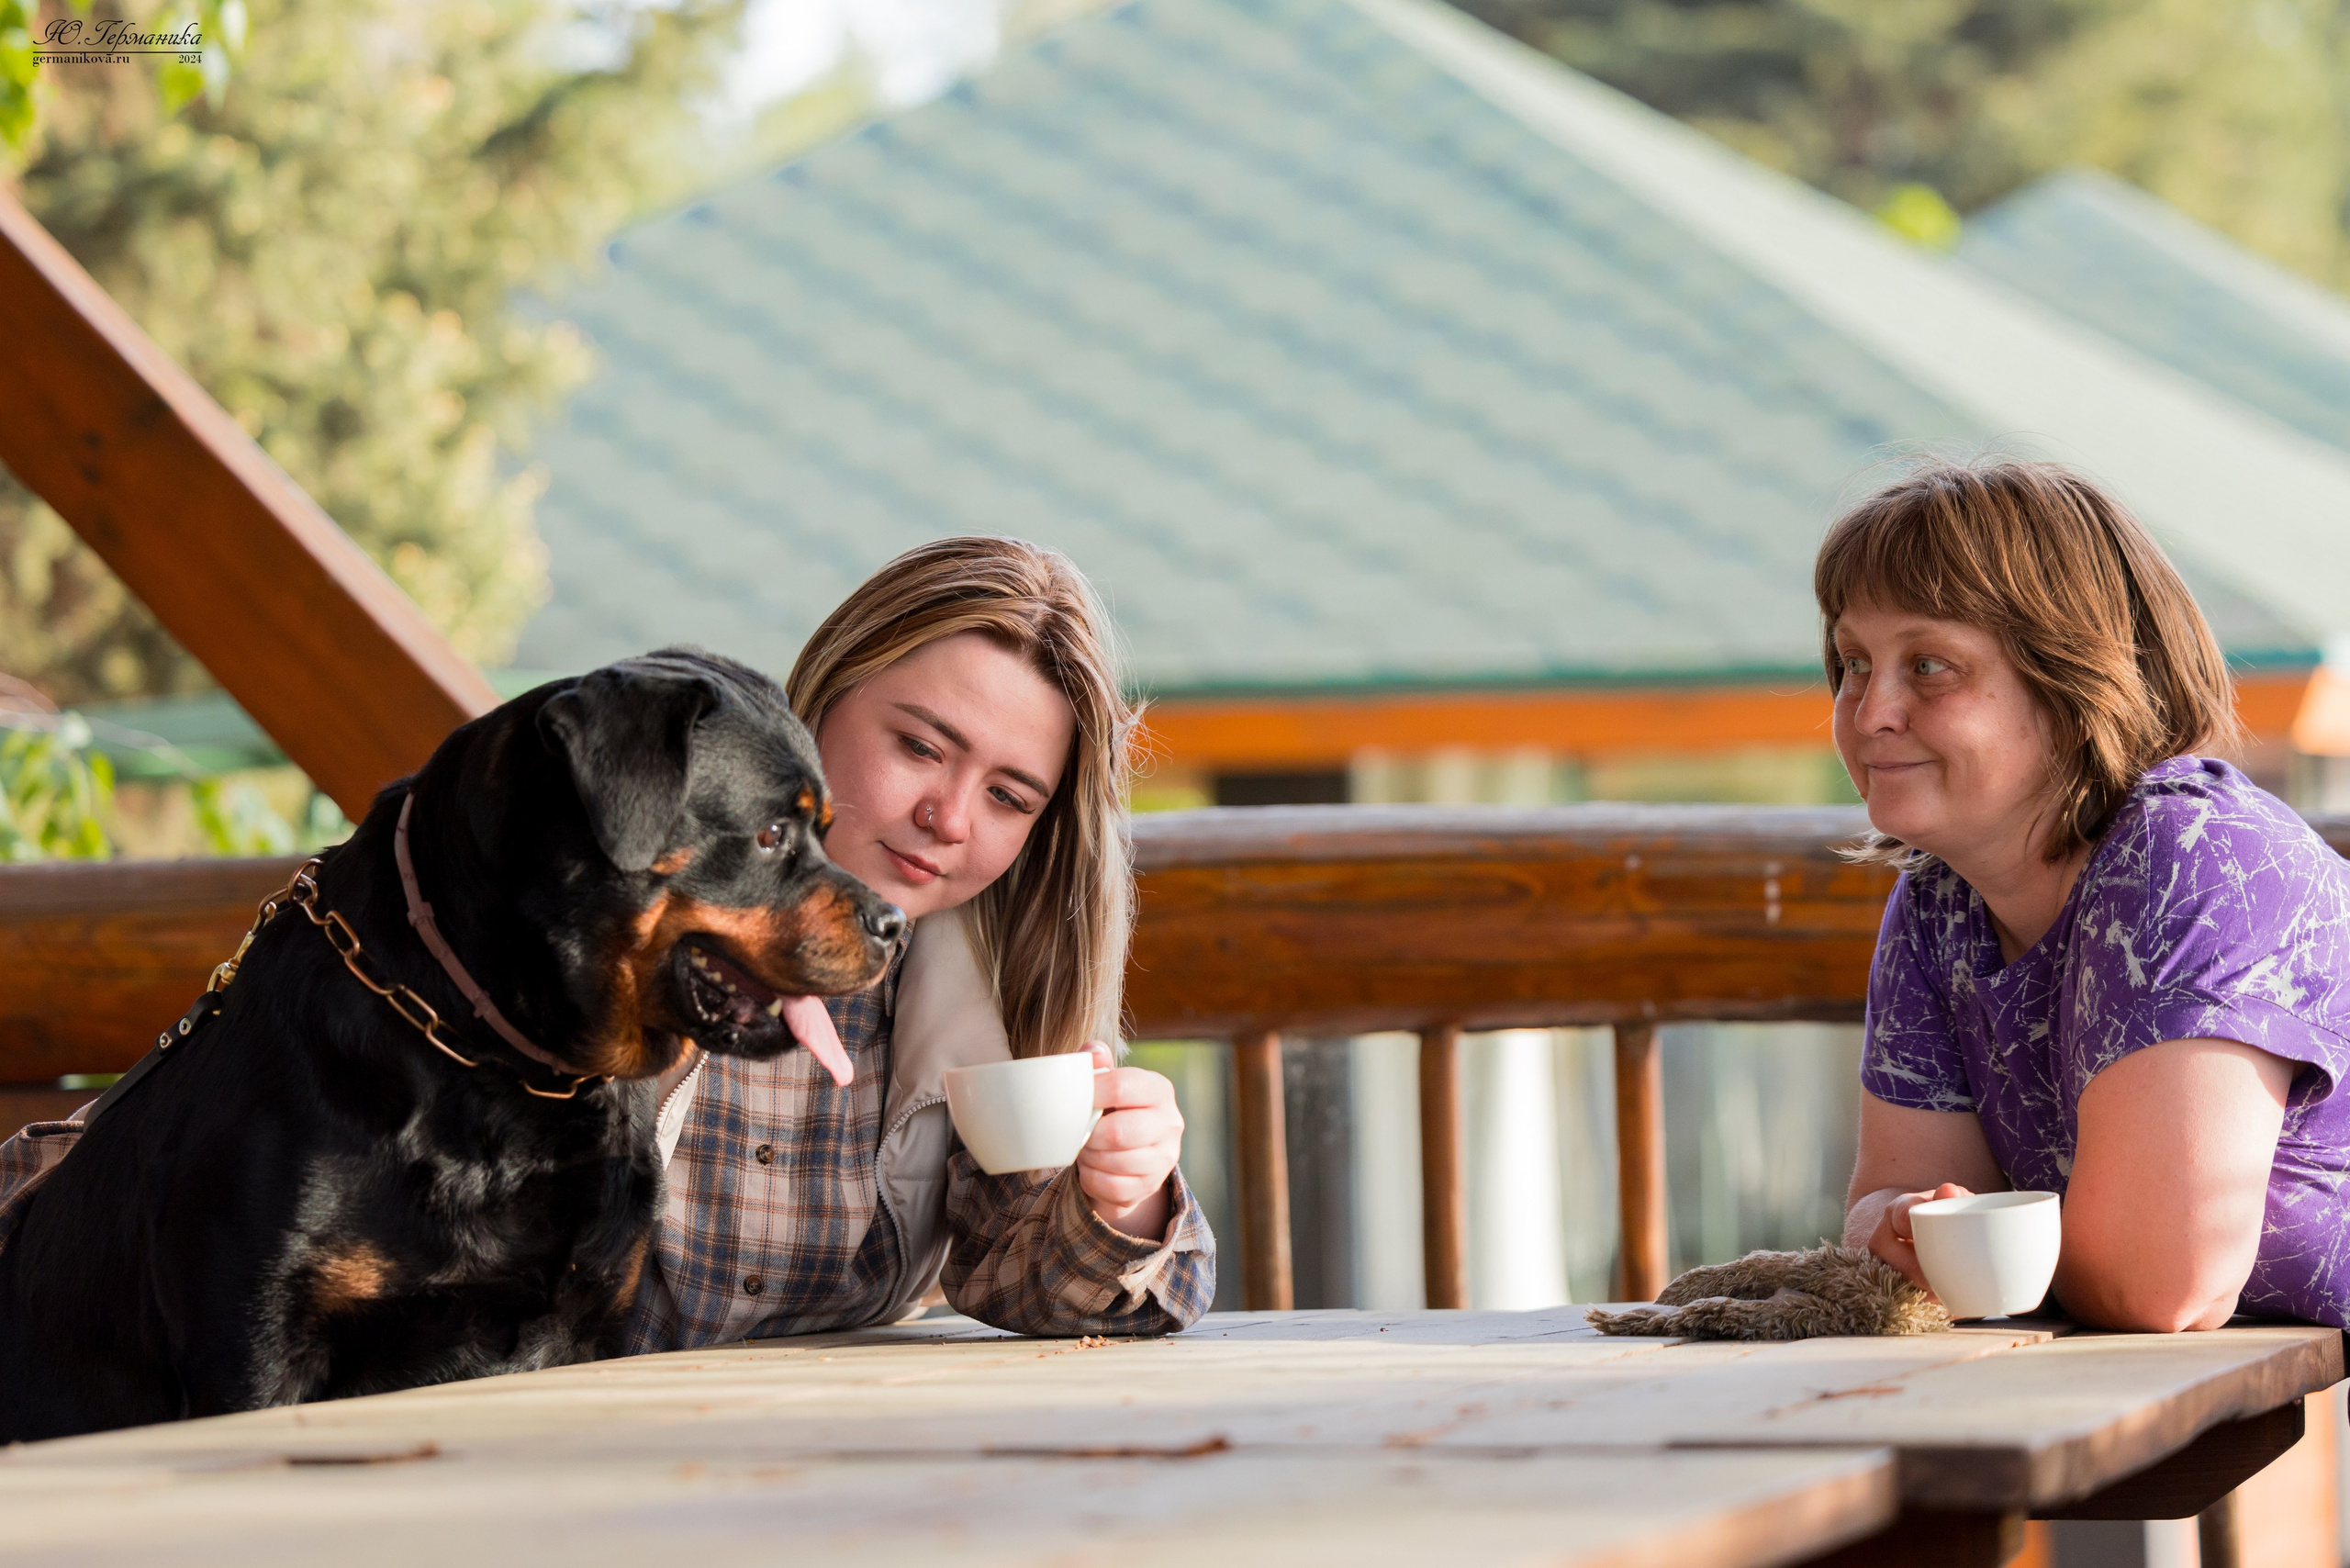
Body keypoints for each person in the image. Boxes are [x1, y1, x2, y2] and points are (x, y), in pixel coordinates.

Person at [625, 536, 1214, 1350]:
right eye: (921, 748)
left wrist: (1123, 1201)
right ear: (823, 698)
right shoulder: (625, 904)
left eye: (1008, 796)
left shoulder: (984, 987)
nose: (951, 818)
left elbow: (1020, 1281)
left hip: (848, 1440)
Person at [1825, 460, 2350, 1332]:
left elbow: (2159, 1284)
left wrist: (1952, 1248)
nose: (1870, 709)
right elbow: (1900, 1220)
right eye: (1851, 662)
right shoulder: (1939, 902)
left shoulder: (2198, 857)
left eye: (1928, 666)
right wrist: (1895, 1228)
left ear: (2073, 681)